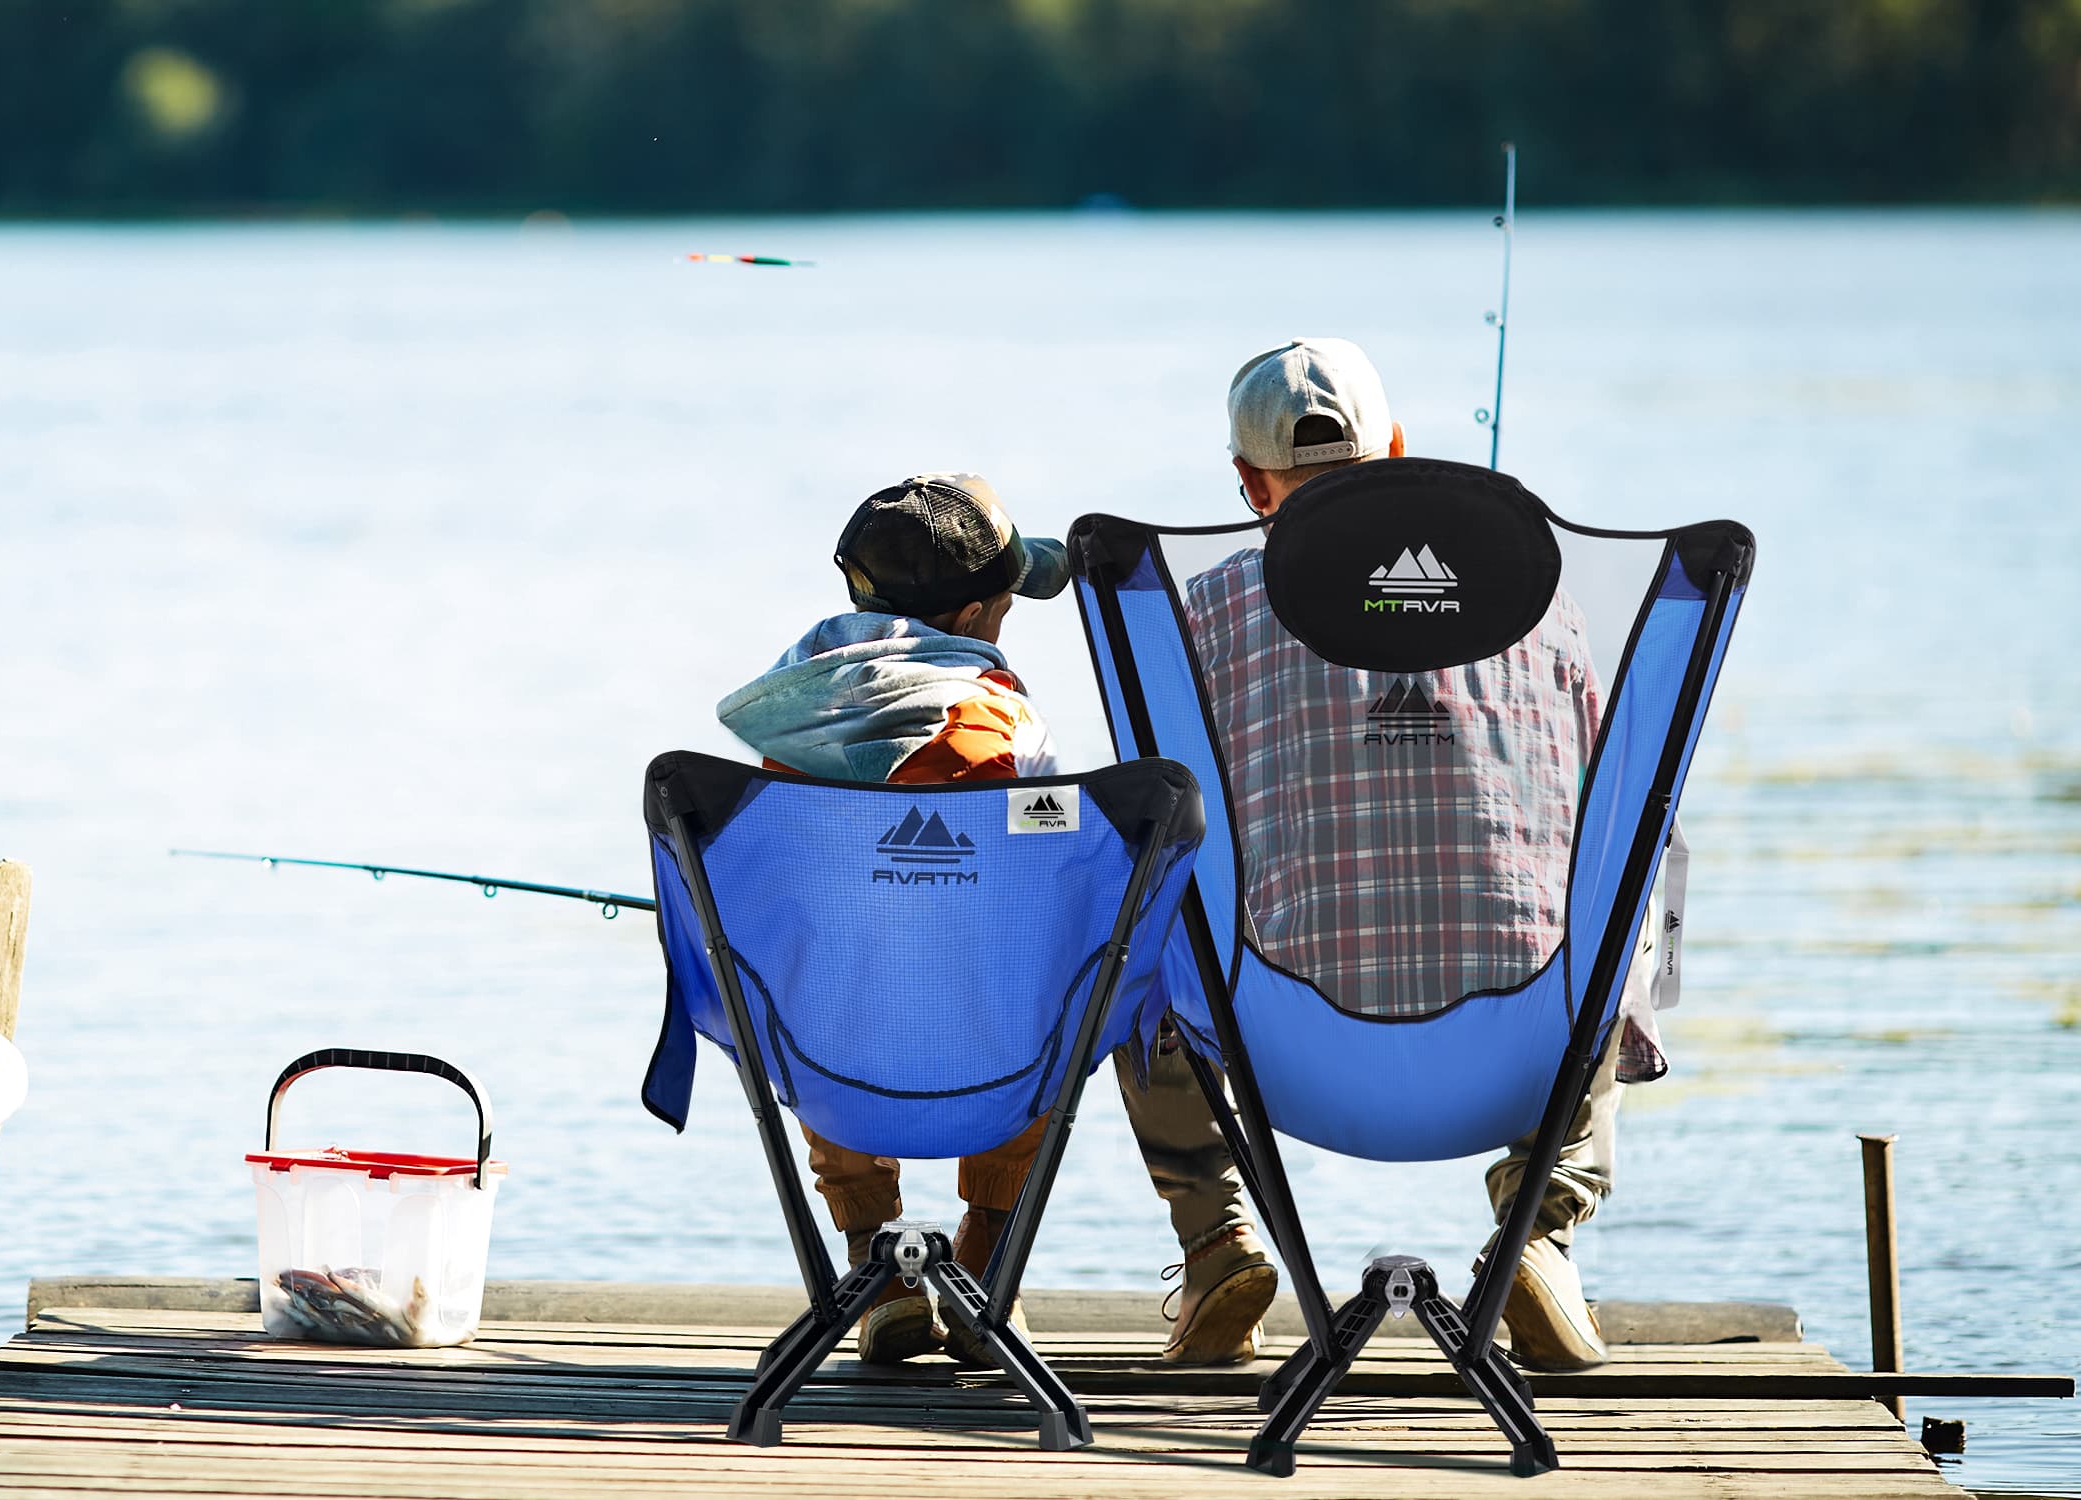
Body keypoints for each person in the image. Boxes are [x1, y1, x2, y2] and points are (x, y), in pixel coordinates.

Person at [715, 473, 1278, 1369]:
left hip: (831, 1060)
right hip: (998, 1061)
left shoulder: (784, 726)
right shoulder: (1005, 726)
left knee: (827, 979)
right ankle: (986, 1258)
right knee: (1067, 980)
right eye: (1011, 607)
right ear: (978, 614)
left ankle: (878, 1268)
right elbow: (1051, 882)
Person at [1194, 338, 1669, 1370]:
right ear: (1400, 450)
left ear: (1247, 483)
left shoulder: (1210, 613)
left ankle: (1218, 1241)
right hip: (1521, 1042)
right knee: (1632, 877)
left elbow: (1166, 828)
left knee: (1144, 914)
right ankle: (1537, 1233)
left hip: (1289, 1048)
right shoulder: (1538, 601)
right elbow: (1615, 809)